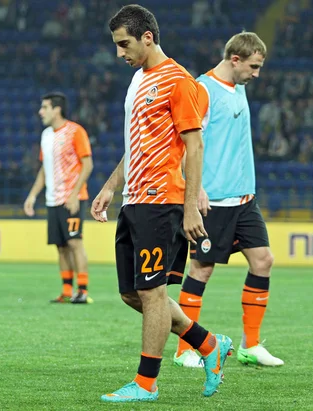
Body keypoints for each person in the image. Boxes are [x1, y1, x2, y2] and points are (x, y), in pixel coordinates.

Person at [90, 5, 233, 403]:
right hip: (133, 201)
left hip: (162, 202)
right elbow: (135, 145)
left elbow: (195, 144)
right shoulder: (137, 81)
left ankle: (146, 383)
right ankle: (208, 345)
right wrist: (109, 187)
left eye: (124, 44)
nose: (119, 53)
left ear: (147, 37)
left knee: (152, 294)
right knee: (132, 294)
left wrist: (190, 206)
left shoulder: (179, 81)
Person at [173, 32, 284, 368]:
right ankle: (185, 350)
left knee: (263, 260)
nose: (257, 73)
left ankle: (251, 346)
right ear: (235, 59)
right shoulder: (203, 89)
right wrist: (197, 188)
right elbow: (184, 143)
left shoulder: (238, 87)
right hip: (214, 200)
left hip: (244, 198)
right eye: (253, 66)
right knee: (202, 269)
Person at [24, 92, 94, 304]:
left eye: (44, 107)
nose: (40, 112)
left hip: (71, 199)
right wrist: (32, 195)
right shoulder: (46, 135)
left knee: (75, 243)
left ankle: (82, 291)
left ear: (57, 109)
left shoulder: (75, 131)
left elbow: (88, 164)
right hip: (52, 199)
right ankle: (66, 291)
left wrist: (74, 195)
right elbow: (44, 170)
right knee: (61, 247)